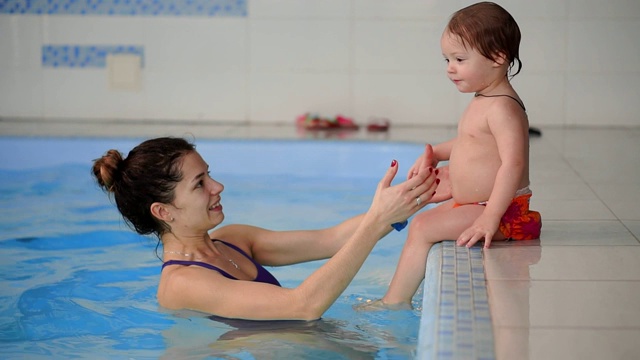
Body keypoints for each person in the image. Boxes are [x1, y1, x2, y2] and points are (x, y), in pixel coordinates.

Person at [91, 136, 441, 321]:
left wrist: (412, 197)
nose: (218, 186)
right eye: (200, 184)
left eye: (209, 173)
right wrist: (377, 219)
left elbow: (330, 239)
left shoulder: (233, 240)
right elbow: (302, 306)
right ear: (163, 211)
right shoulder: (182, 284)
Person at [378, 2, 542, 308]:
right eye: (447, 59)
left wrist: (490, 218)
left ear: (497, 57)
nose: (449, 68)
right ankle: (395, 295)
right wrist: (436, 152)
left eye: (459, 59)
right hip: (477, 204)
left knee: (422, 228)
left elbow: (513, 163)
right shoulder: (484, 98)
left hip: (504, 212)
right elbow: (470, 142)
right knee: (418, 218)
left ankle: (394, 301)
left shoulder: (503, 107)